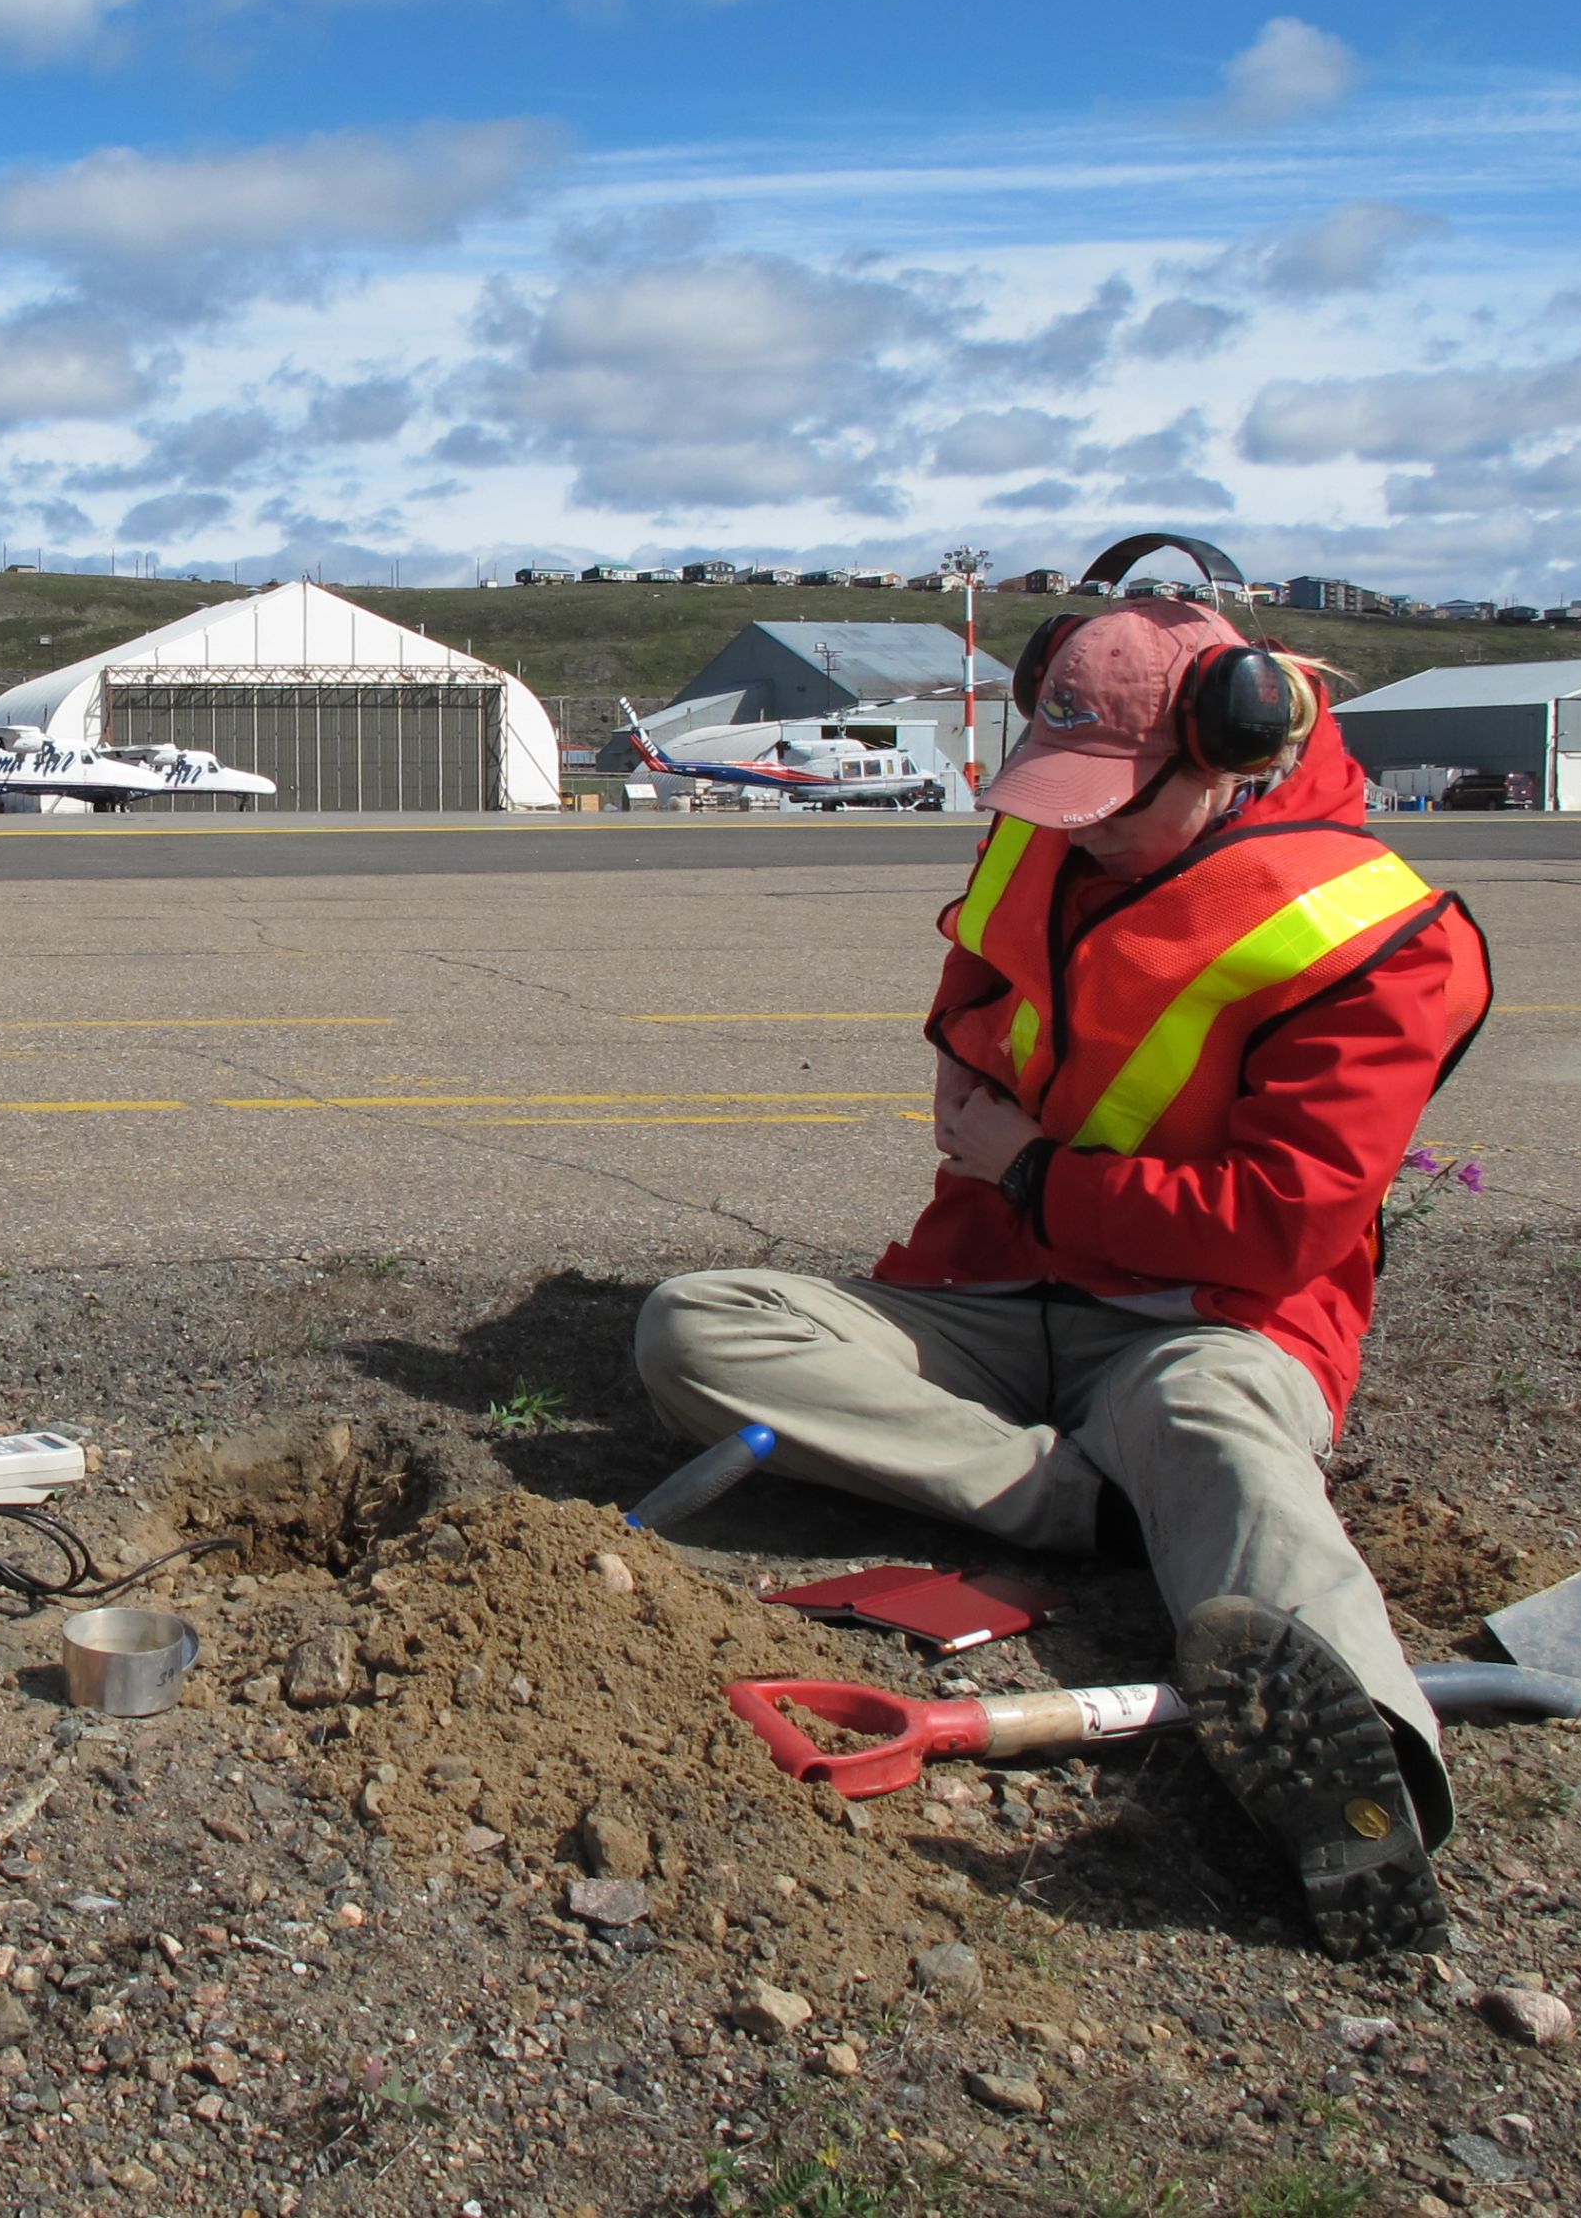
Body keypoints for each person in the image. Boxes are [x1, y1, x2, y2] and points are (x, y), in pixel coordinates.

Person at [638, 597, 1491, 1957]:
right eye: (1061, 789)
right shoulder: (1051, 831)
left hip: (1206, 1324)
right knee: (701, 1327)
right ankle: (1087, 1507)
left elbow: (1280, 1229)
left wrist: (1035, 1170)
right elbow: (976, 986)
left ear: (1230, 749)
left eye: (1113, 801)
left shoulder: (1375, 935)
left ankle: (1365, 1792)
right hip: (989, 1296)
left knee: (1228, 1455)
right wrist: (964, 1074)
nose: (1076, 826)